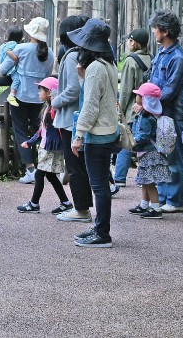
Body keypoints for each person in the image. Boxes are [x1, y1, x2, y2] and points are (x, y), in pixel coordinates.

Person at [68, 18, 120, 248]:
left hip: (97, 134)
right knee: (100, 185)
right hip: (108, 130)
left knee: (98, 186)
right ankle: (100, 228)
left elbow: (90, 106)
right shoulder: (107, 64)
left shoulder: (95, 68)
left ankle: (103, 234)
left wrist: (78, 135)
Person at [0, 17, 55, 184]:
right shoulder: (50, 52)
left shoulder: (21, 48)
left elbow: (2, 69)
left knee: (21, 132)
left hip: (20, 96)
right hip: (40, 98)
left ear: (31, 32)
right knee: (43, 131)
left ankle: (30, 169)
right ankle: (48, 166)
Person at [52, 16, 94, 223]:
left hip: (71, 119)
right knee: (81, 166)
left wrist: (54, 101)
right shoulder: (87, 54)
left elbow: (73, 89)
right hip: (82, 118)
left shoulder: (71, 56)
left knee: (75, 167)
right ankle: (83, 206)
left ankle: (81, 209)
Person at [148, 10, 183, 213]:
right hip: (160, 113)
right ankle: (166, 197)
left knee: (172, 158)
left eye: (156, 28)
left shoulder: (178, 58)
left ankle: (174, 199)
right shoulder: (163, 53)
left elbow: (170, 91)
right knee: (163, 157)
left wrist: (147, 99)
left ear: (164, 31)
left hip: (171, 114)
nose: (154, 31)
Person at [16, 77, 72, 215]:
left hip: (50, 148)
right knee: (51, 176)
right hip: (47, 147)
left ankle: (34, 204)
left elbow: (50, 130)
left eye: (40, 90)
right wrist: (30, 141)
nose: (38, 93)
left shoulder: (54, 109)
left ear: (49, 92)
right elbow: (42, 130)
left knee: (40, 174)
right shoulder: (48, 108)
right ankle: (65, 202)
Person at [127, 83, 173, 219]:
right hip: (148, 152)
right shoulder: (149, 114)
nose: (136, 96)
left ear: (145, 99)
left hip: (149, 153)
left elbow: (144, 135)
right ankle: (144, 204)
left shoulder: (147, 117)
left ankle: (155, 208)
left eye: (139, 95)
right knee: (145, 180)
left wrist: (131, 140)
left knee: (149, 182)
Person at [114, 28, 152, 186]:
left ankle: (119, 177)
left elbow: (126, 88)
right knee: (146, 144)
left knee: (126, 143)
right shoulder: (151, 58)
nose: (128, 43)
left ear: (134, 42)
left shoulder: (131, 60)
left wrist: (120, 108)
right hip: (148, 107)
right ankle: (147, 177)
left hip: (132, 108)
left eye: (129, 40)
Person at [0, 25, 24, 107]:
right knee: (16, 80)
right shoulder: (14, 45)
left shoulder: (6, 45)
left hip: (5, 70)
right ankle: (12, 95)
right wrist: (15, 59)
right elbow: (9, 54)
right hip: (10, 69)